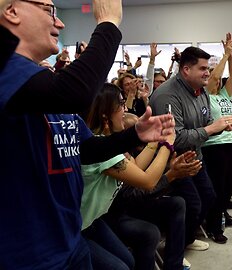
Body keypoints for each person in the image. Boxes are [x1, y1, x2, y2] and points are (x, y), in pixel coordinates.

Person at [0, 1, 175, 269]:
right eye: (51, 11)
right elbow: (75, 92)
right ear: (12, 11)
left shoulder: (46, 90)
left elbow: (87, 150)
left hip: (69, 238)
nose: (60, 23)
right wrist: (108, 23)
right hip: (29, 253)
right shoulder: (7, 72)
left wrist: (135, 136)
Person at [82, 83, 198, 270]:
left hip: (93, 221)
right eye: (120, 104)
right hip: (79, 227)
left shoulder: (106, 145)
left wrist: (153, 140)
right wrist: (167, 145)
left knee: (128, 261)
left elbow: (136, 166)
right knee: (121, 267)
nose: (125, 108)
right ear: (105, 114)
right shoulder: (99, 148)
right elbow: (147, 181)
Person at [149, 46, 232, 251]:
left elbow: (207, 122)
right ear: (186, 70)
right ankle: (174, 248)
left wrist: (222, 127)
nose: (208, 73)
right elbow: (176, 138)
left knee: (208, 198)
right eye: (203, 68)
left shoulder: (201, 91)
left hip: (195, 157)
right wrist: (211, 129)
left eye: (208, 68)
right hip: (174, 162)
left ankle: (187, 239)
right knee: (192, 204)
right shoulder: (167, 95)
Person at [202, 33, 232, 244]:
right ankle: (213, 225)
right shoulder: (204, 96)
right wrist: (225, 53)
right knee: (219, 186)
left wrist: (231, 58)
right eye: (215, 79)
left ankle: (221, 212)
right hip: (216, 145)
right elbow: (212, 79)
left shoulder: (223, 96)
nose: (218, 81)